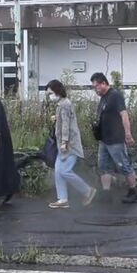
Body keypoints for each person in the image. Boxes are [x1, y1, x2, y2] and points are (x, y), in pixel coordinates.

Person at [91, 73, 137, 204]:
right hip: (104, 139)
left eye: (96, 86)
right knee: (103, 166)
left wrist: (128, 134)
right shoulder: (103, 98)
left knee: (123, 164)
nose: (95, 89)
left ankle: (134, 190)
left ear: (103, 83)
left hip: (115, 139)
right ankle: (106, 193)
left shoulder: (115, 96)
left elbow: (124, 115)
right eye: (94, 87)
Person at [46, 80, 96, 209]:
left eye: (51, 93)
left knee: (65, 171)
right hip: (64, 144)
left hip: (69, 145)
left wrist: (64, 143)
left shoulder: (65, 104)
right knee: (58, 171)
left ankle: (87, 190)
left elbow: (66, 126)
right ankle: (62, 199)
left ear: (57, 91)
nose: (50, 96)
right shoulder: (61, 104)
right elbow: (64, 122)